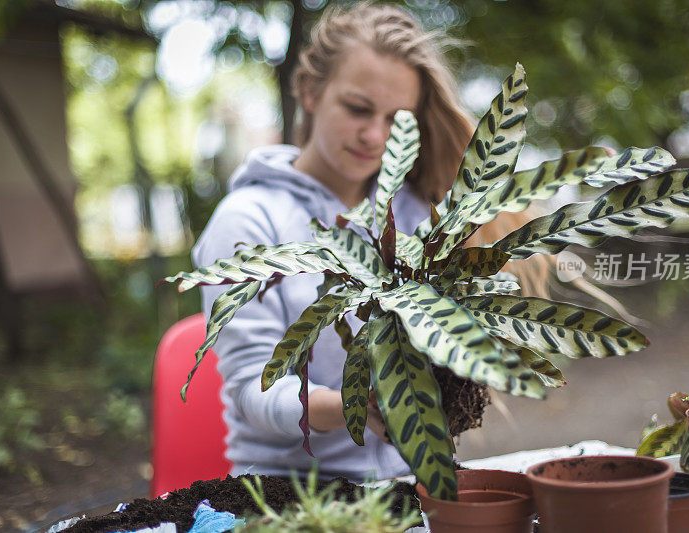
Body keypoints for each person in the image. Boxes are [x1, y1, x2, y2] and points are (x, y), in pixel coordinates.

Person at [192, 3, 477, 482]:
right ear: (309, 91)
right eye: (358, 109)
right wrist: (357, 404)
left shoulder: (418, 213)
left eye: (396, 120)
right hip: (287, 493)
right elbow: (253, 391)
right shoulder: (248, 222)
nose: (374, 135)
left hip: (409, 485)